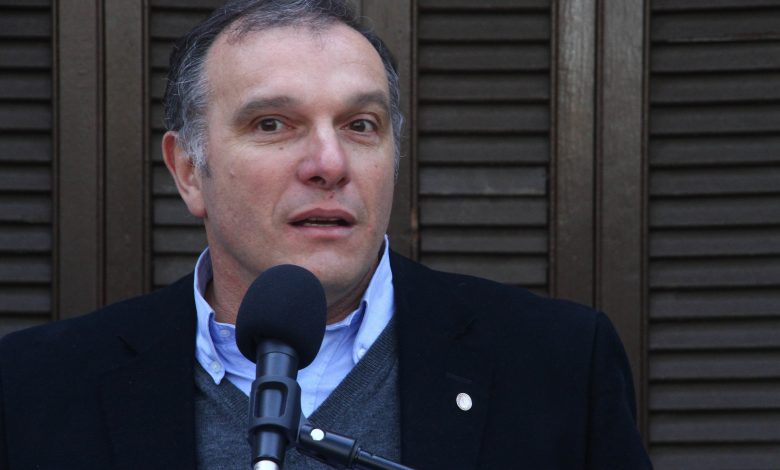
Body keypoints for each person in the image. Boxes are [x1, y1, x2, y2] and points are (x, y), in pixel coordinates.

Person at [0, 0, 653, 468]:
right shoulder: (36, 387)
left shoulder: (559, 364)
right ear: (189, 170)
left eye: (360, 125)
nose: (329, 163)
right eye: (272, 125)